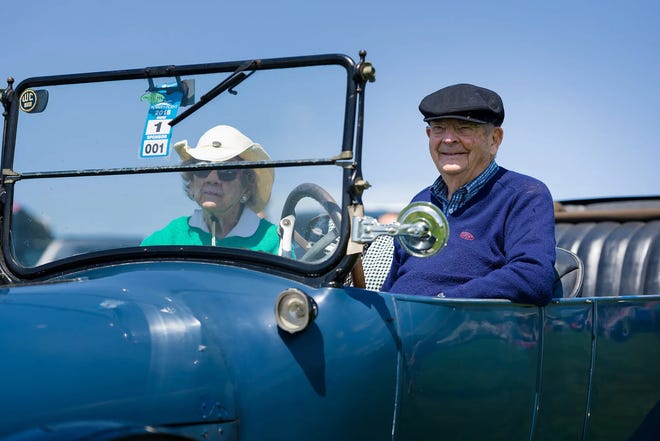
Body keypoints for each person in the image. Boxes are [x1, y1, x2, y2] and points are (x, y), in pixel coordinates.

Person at [381, 83, 556, 306]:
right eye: (439, 128)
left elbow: (533, 276)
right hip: (397, 327)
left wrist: (441, 303)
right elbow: (394, 282)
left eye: (464, 128)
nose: (448, 139)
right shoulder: (421, 202)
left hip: (464, 332)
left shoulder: (524, 195)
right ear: (428, 136)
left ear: (494, 139)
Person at [141, 124, 281, 254]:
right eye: (202, 168)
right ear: (191, 182)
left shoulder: (273, 241)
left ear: (247, 188)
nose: (212, 179)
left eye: (226, 170)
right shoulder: (171, 237)